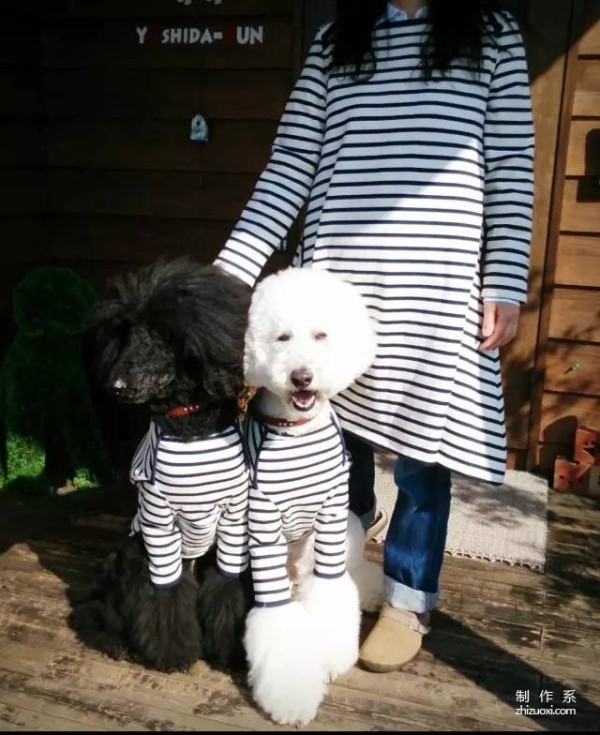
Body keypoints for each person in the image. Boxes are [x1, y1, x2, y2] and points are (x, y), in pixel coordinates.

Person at [214, 0, 534, 672]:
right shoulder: (337, 41)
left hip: (436, 290)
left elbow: (510, 165)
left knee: (423, 457)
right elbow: (290, 163)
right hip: (339, 289)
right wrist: (229, 274)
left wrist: (504, 280)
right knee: (339, 442)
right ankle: (345, 565)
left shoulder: (492, 35)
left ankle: (407, 598)